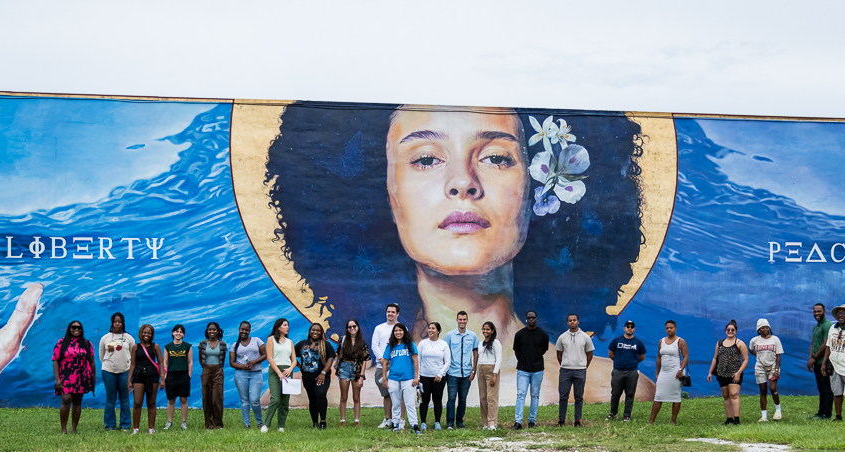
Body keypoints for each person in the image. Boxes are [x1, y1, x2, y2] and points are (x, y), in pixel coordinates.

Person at [264, 107, 656, 409]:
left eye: (497, 158)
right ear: (385, 194)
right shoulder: (329, 394)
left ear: (538, 189)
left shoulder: (606, 386)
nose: (463, 182)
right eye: (426, 159)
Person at [52, 320, 95, 434]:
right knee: (66, 399)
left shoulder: (87, 343)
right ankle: (63, 429)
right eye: (73, 327)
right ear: (69, 329)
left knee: (77, 402)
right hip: (65, 375)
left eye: (79, 328)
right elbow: (55, 360)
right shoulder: (61, 343)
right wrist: (57, 379)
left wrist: (92, 377)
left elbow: (91, 362)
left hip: (81, 376)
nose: (76, 329)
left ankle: (73, 429)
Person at [554, 313, 594, 427]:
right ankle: (561, 421)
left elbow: (589, 354)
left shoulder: (585, 337)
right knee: (563, 396)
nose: (572, 322)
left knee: (579, 397)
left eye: (574, 320)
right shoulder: (562, 337)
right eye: (570, 320)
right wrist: (564, 364)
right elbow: (559, 354)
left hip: (580, 371)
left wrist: (584, 366)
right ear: (567, 323)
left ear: (578, 322)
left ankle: (578, 421)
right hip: (565, 371)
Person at [380, 322, 420, 433]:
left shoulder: (410, 344)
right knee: (396, 403)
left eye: (400, 330)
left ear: (404, 332)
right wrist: (384, 378)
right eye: (396, 331)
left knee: (409, 403)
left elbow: (415, 360)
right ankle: (395, 425)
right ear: (393, 333)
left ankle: (414, 425)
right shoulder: (390, 346)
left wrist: (416, 377)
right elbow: (385, 362)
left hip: (408, 378)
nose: (398, 332)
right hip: (393, 378)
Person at [706, 320, 748, 425]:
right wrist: (710, 372)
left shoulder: (740, 343)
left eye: (732, 330)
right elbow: (715, 358)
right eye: (728, 330)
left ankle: (737, 419)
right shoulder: (719, 343)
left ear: (736, 331)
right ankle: (729, 419)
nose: (730, 331)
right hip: (721, 372)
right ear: (725, 331)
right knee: (726, 396)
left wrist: (738, 373)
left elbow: (745, 360)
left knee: (734, 394)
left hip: (735, 372)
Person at [295, 323, 336, 429]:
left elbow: (330, 359)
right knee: (312, 398)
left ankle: (323, 421)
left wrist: (323, 373)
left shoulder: (326, 344)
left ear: (321, 332)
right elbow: (292, 355)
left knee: (320, 394)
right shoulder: (302, 344)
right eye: (313, 330)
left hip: (322, 376)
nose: (315, 332)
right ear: (310, 331)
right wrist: (299, 366)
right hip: (307, 377)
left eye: (318, 330)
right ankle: (314, 422)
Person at [512, 310, 549, 429]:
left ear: (537, 319)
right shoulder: (519, 334)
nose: (531, 319)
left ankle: (532, 421)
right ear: (526, 319)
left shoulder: (543, 335)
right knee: (521, 394)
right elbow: (517, 351)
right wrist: (523, 361)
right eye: (528, 318)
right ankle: (518, 422)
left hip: (538, 369)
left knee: (535, 395)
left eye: (533, 317)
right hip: (523, 369)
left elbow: (543, 350)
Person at [649, 320, 689, 426]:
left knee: (675, 396)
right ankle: (651, 421)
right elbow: (659, 358)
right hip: (664, 372)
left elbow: (685, 357)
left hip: (676, 372)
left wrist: (680, 370)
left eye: (671, 327)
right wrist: (657, 373)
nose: (669, 329)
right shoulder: (661, 341)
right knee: (658, 396)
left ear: (675, 328)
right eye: (667, 328)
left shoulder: (680, 341)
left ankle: (673, 421)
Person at [444, 311, 478, 429]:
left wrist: (474, 370)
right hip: (452, 372)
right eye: (460, 319)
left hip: (467, 373)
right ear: (457, 320)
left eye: (464, 319)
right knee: (451, 398)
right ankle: (450, 422)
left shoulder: (472, 336)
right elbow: (445, 352)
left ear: (467, 320)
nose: (462, 321)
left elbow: (475, 352)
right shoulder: (449, 335)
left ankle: (459, 421)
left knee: (463, 399)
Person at [99, 311, 133, 431]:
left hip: (125, 371)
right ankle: (110, 425)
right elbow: (101, 356)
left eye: (120, 322)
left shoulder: (129, 338)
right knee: (110, 398)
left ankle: (125, 424)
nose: (117, 324)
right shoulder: (105, 338)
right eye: (115, 322)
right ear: (112, 323)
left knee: (124, 398)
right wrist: (109, 364)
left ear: (123, 323)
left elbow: (133, 355)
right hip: (108, 371)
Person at [607, 320, 647, 422]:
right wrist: (618, 362)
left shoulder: (638, 342)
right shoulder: (616, 340)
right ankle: (613, 412)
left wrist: (633, 363)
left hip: (632, 372)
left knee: (630, 394)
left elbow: (642, 357)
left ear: (634, 329)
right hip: (618, 371)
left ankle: (627, 415)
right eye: (627, 326)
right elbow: (610, 354)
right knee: (615, 393)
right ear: (624, 328)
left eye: (632, 327)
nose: (629, 328)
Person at [128, 324, 164, 435]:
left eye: (149, 333)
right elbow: (133, 364)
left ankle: (151, 429)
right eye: (144, 332)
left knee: (151, 403)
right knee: (137, 403)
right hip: (138, 376)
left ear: (152, 335)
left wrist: (162, 378)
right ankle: (136, 429)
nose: (146, 334)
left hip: (152, 376)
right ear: (140, 333)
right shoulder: (135, 347)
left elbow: (161, 362)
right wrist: (129, 380)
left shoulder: (155, 347)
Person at [229, 321, 266, 429]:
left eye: (246, 330)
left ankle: (260, 422)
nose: (244, 331)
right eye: (242, 329)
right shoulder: (235, 345)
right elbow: (232, 363)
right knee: (244, 400)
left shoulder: (257, 340)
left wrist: (254, 362)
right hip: (240, 374)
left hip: (256, 374)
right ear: (239, 329)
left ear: (249, 331)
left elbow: (265, 355)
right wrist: (243, 367)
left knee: (254, 399)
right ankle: (247, 424)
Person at [263, 318, 296, 433]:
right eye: (285, 325)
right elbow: (270, 358)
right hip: (275, 371)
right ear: (278, 327)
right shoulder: (271, 339)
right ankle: (266, 425)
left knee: (284, 401)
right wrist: (279, 373)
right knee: (275, 399)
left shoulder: (290, 342)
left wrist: (290, 369)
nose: (287, 327)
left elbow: (294, 360)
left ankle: (281, 425)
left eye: (288, 325)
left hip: (287, 372)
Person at [370, 304, 400, 428]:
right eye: (388, 312)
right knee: (386, 393)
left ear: (397, 314)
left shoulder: (401, 328)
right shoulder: (379, 328)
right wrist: (383, 360)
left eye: (393, 312)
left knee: (397, 394)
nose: (390, 314)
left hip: (397, 366)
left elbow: (404, 345)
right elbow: (374, 345)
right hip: (381, 366)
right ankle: (388, 419)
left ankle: (398, 420)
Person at [749, 319, 785, 422]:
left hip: (773, 367)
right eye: (763, 328)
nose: (765, 329)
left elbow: (778, 356)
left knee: (773, 389)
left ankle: (778, 410)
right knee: (763, 391)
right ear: (759, 330)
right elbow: (751, 349)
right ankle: (764, 416)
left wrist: (777, 370)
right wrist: (757, 355)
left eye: (767, 327)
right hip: (760, 367)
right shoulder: (754, 340)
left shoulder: (775, 339)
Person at [336, 319, 370, 427]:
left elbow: (364, 360)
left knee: (356, 397)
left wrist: (361, 376)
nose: (352, 329)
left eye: (354, 326)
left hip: (357, 370)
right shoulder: (343, 339)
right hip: (344, 368)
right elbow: (338, 353)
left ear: (358, 327)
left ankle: (356, 421)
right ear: (347, 329)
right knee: (344, 396)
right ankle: (342, 421)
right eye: (349, 327)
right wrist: (336, 364)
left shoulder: (362, 342)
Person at [417, 322, 451, 431]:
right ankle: (423, 423)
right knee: (424, 400)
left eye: (433, 328)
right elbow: (417, 360)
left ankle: (437, 423)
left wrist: (440, 374)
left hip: (438, 378)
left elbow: (447, 362)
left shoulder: (443, 344)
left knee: (437, 400)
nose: (430, 330)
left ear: (438, 331)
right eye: (429, 328)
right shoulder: (422, 344)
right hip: (424, 376)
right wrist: (417, 376)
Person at [163, 324, 193, 430]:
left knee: (183, 399)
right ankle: (169, 422)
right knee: (171, 400)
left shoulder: (187, 346)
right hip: (171, 375)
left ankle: (183, 422)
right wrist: (165, 375)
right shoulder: (167, 347)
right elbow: (165, 362)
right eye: (176, 331)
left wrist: (188, 375)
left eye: (180, 332)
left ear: (183, 334)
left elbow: (190, 362)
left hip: (183, 375)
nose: (178, 333)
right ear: (173, 333)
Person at [807, 303, 834, 420]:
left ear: (824, 311)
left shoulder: (827, 325)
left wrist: (814, 358)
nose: (816, 314)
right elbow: (813, 344)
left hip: (825, 362)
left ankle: (827, 414)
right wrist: (810, 359)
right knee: (821, 387)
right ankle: (821, 412)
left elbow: (825, 344)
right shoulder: (816, 326)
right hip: (817, 362)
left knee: (826, 388)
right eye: (815, 312)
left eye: (819, 311)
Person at [198, 321, 226, 430]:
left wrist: (217, 368)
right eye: (210, 329)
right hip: (206, 370)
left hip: (218, 371)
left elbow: (223, 360)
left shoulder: (222, 344)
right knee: (206, 398)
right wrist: (207, 368)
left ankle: (218, 424)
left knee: (217, 398)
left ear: (218, 331)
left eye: (214, 329)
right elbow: (201, 359)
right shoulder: (202, 343)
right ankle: (208, 424)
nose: (212, 331)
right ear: (207, 331)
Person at [477, 321, 503, 430]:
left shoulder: (496, 343)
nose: (485, 331)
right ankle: (485, 423)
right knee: (483, 397)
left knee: (491, 397)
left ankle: (492, 423)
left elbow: (499, 359)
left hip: (491, 369)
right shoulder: (480, 343)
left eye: (488, 329)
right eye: (484, 329)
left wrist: (494, 374)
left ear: (492, 331)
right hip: (480, 369)